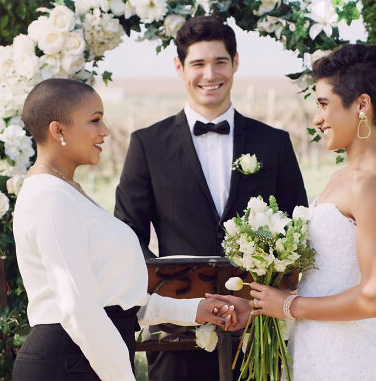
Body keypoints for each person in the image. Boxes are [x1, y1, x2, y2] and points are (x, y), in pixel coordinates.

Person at [114, 15, 308, 381]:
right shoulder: (147, 144)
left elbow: (298, 227)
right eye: (198, 64)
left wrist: (270, 297)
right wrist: (171, 299)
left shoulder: (274, 142)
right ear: (179, 67)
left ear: (236, 63)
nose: (210, 74)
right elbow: (127, 235)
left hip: (257, 331)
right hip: (176, 329)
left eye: (220, 62)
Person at [210, 44, 376, 380]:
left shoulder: (372, 184)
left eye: (323, 104)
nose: (317, 118)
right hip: (318, 355)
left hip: (352, 364)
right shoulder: (343, 178)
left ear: (361, 105)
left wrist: (289, 306)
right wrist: (263, 307)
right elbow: (329, 280)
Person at [11, 78, 237, 381]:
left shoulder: (67, 191)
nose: (104, 131)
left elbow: (114, 299)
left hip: (89, 357)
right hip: (69, 363)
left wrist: (193, 309)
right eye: (94, 120)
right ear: (58, 130)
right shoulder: (49, 197)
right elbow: (78, 308)